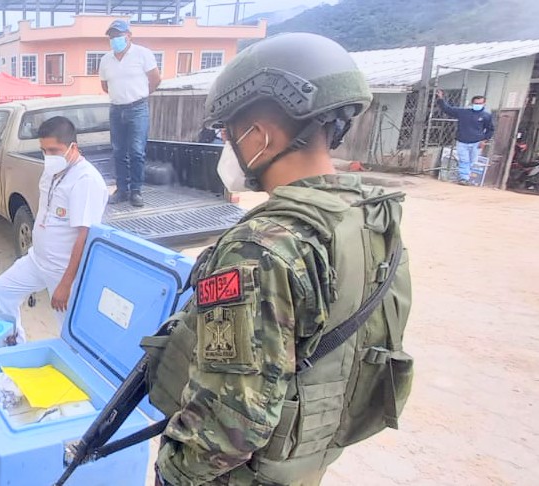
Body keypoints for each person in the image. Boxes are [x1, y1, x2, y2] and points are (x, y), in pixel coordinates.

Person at [149, 33, 413, 485]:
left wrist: (172, 473)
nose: (226, 146)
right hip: (303, 463)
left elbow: (229, 422)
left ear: (259, 136)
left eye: (227, 133)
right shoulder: (367, 216)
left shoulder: (258, 249)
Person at [0, 117, 108, 343]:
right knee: (1, 291)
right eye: (44, 151)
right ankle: (15, 347)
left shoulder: (86, 180)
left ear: (73, 147)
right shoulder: (52, 171)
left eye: (54, 150)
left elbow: (85, 236)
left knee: (69, 331)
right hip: (38, 260)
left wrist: (65, 284)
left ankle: (73, 361)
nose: (49, 156)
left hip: (63, 269)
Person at [99, 19, 162, 207]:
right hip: (116, 109)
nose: (115, 39)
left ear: (129, 36)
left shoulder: (143, 54)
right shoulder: (105, 60)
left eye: (118, 35)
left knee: (136, 151)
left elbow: (155, 79)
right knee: (118, 152)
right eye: (111, 36)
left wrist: (139, 95)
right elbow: (104, 86)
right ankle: (122, 190)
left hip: (137, 109)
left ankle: (136, 191)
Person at [436, 90, 495, 185]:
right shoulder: (463, 112)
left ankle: (465, 177)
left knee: (472, 161)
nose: (478, 105)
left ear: (484, 103)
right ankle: (464, 178)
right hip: (462, 141)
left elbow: (490, 129)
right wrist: (441, 99)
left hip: (477, 142)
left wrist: (484, 140)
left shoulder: (486, 116)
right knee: (464, 160)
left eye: (480, 103)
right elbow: (448, 109)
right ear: (472, 103)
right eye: (476, 103)